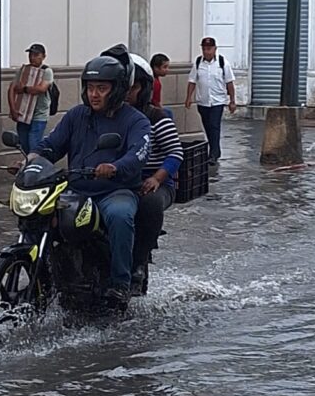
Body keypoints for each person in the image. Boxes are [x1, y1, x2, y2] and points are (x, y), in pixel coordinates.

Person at [32, 55, 150, 308]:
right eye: (90, 87)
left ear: (117, 90)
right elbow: (52, 145)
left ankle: (120, 284)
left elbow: (137, 154)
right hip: (76, 190)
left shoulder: (135, 120)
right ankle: (40, 273)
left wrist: (114, 167)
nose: (94, 94)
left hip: (115, 191)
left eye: (102, 88)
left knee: (120, 216)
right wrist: (32, 159)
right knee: (39, 214)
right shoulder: (76, 115)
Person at [127, 55, 183, 293]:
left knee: (148, 203)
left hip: (157, 184)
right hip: (124, 180)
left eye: (132, 87)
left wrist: (157, 178)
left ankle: (138, 262)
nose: (126, 92)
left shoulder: (157, 118)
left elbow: (176, 153)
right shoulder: (112, 118)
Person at [185, 37, 236, 165]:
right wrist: (188, 97)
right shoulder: (198, 63)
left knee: (214, 125)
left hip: (217, 101)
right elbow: (192, 81)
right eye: (204, 49)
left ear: (215, 49)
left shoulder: (223, 63)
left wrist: (232, 101)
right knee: (207, 126)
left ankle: (213, 153)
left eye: (209, 49)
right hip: (203, 101)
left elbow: (229, 83)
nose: (207, 52)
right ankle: (214, 150)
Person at [8, 44, 54, 154]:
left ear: (43, 56)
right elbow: (12, 89)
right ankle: (29, 165)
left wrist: (23, 89)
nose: (32, 57)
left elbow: (41, 89)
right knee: (24, 144)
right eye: (30, 54)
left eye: (36, 55)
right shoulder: (23, 70)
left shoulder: (46, 71)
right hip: (22, 113)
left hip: (39, 114)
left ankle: (35, 167)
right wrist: (13, 109)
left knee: (34, 144)